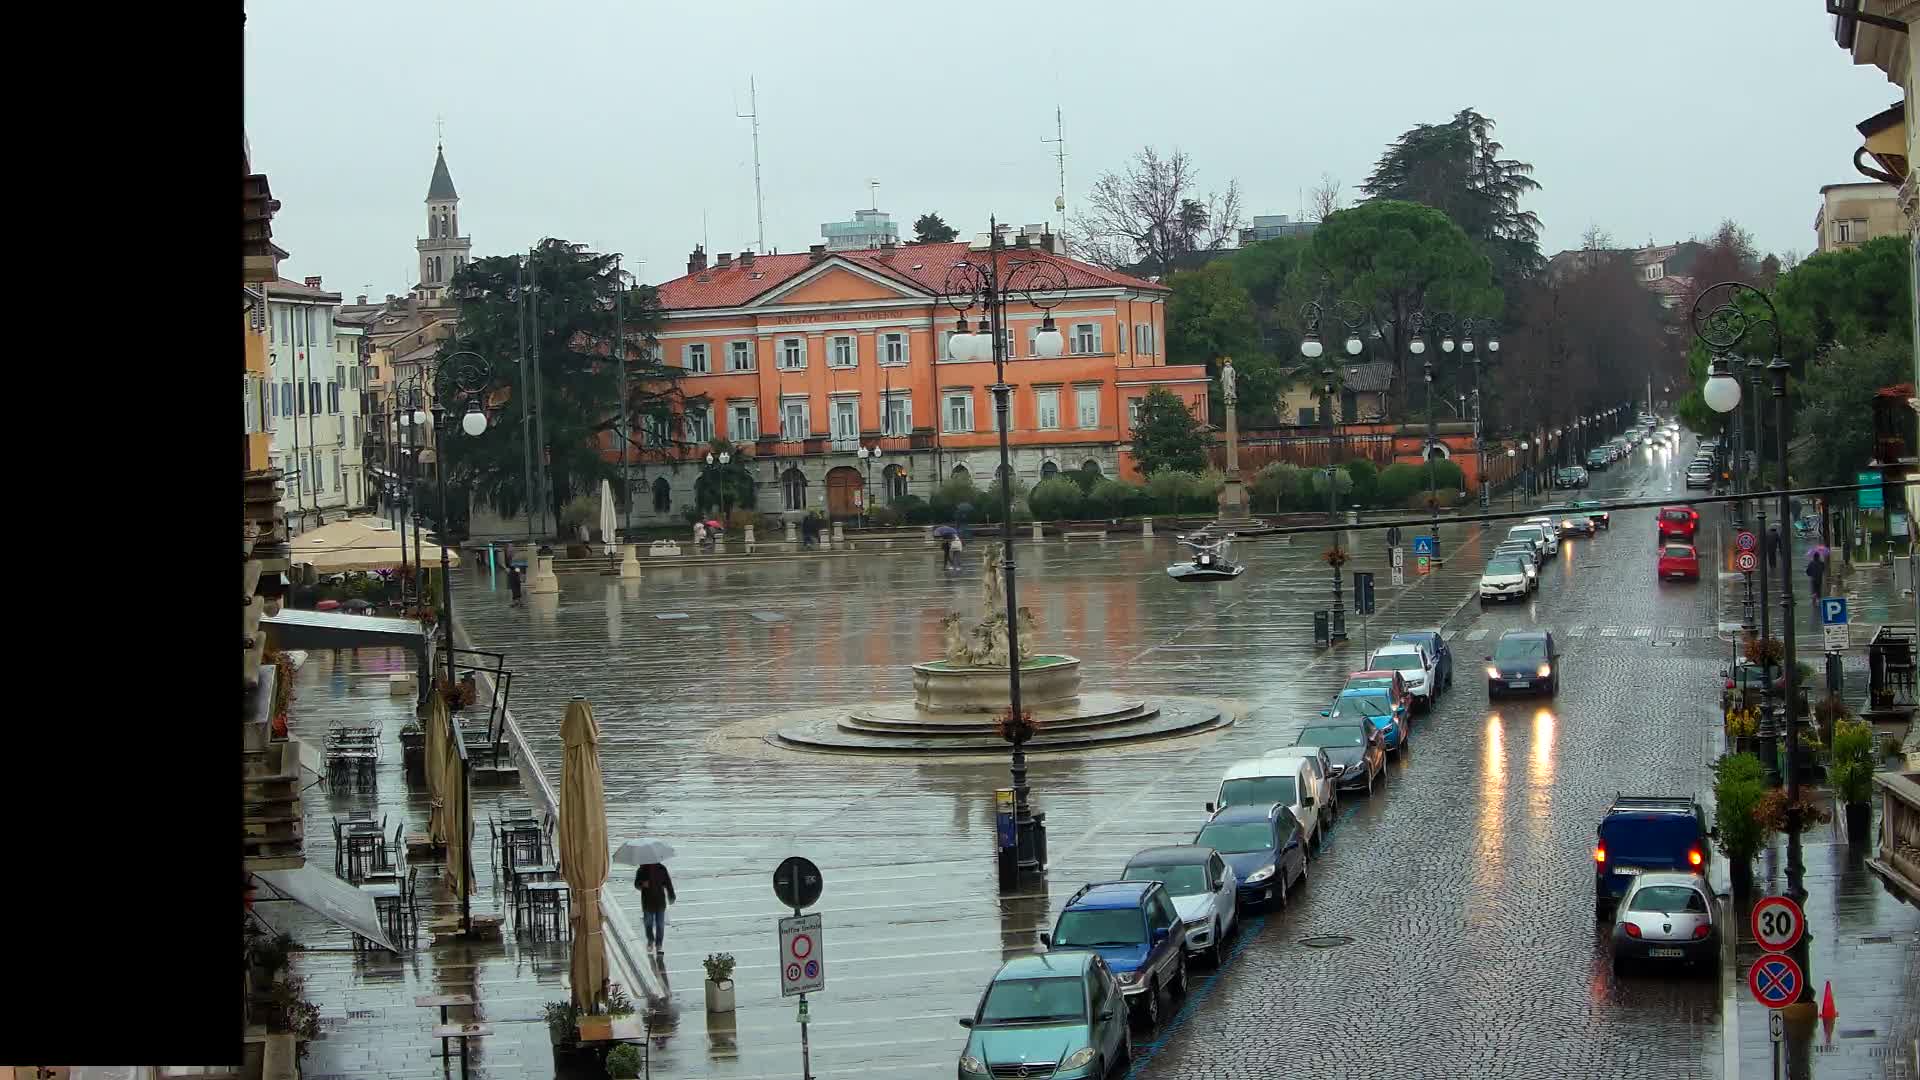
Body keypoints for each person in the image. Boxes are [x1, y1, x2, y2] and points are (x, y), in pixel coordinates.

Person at [635, 862, 676, 953]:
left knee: (660, 925)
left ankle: (659, 944)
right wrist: (642, 884)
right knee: (648, 923)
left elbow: (668, 883)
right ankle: (650, 941)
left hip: (660, 902)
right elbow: (636, 884)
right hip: (647, 902)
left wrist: (671, 895)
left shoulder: (661, 868)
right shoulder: (642, 869)